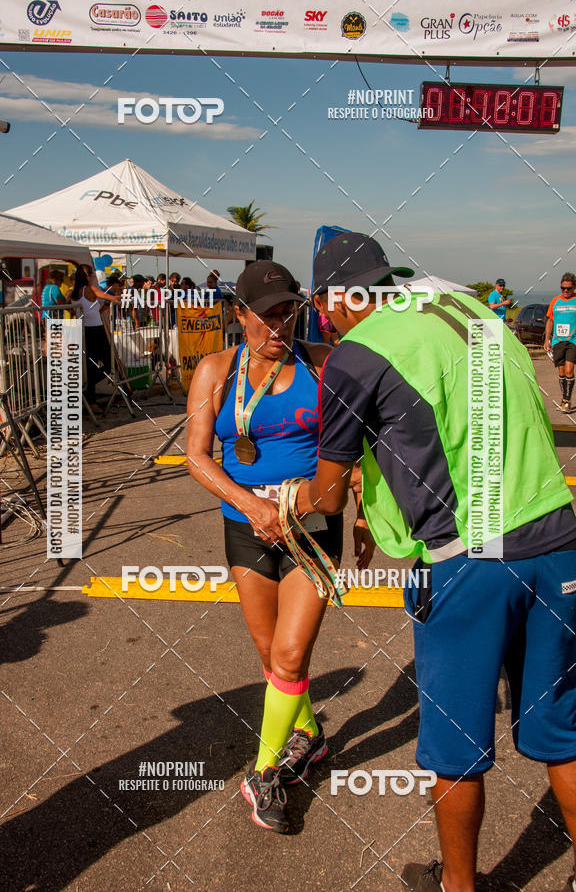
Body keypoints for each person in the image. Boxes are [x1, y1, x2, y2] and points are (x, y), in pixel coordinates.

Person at [284, 232, 576, 892]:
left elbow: (326, 495)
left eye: (324, 309)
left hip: (468, 559)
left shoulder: (358, 353)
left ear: (333, 299)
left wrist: (283, 500)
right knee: (564, 732)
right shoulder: (471, 310)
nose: (327, 323)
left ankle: (458, 885)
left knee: (455, 748)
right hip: (558, 540)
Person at [186, 260, 373, 833]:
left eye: (288, 312)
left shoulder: (324, 363)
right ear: (239, 313)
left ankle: (263, 773)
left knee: (291, 655)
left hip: (311, 527)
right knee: (272, 658)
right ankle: (309, 734)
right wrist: (251, 505)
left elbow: (357, 446)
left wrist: (364, 515)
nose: (279, 325)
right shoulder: (216, 370)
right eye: (266, 315)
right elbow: (197, 456)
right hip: (247, 528)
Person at [71, 263, 121, 415]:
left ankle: (91, 399)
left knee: (91, 366)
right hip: (95, 331)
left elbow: (86, 312)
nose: (93, 276)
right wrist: (120, 294)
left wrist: (104, 308)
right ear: (86, 276)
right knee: (108, 365)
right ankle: (89, 392)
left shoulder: (73, 293)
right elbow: (113, 298)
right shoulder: (90, 289)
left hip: (84, 330)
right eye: (91, 274)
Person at [544, 273, 576, 413]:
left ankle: (567, 402)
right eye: (563, 288)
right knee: (562, 371)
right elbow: (550, 321)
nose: (565, 291)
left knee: (569, 370)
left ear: (574, 287)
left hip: (573, 340)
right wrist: (547, 340)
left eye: (568, 288)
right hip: (558, 341)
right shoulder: (555, 301)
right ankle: (564, 399)